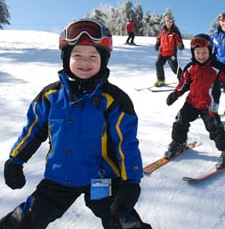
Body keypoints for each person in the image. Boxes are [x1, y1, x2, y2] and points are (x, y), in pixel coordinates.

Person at [0, 18, 151, 229]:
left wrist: (131, 182)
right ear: (66, 58)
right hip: (59, 177)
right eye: (77, 55)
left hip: (101, 180)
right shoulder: (51, 96)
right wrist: (15, 160)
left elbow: (125, 143)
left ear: (103, 60)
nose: (84, 62)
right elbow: (32, 132)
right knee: (25, 220)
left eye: (92, 56)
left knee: (123, 220)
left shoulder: (115, 100)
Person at [164, 34, 225, 168]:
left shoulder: (217, 68)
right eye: (198, 53)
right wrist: (175, 94)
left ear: (210, 52)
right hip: (191, 102)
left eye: (204, 53)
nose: (201, 56)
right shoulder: (190, 68)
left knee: (215, 129)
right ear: (193, 53)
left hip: (209, 106)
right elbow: (183, 83)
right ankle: (178, 142)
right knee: (181, 120)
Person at [154, 15, 185, 87]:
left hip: (171, 53)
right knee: (158, 64)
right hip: (162, 52)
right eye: (167, 21)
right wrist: (157, 44)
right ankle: (161, 80)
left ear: (172, 22)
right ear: (165, 22)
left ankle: (183, 80)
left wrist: (180, 45)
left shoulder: (175, 31)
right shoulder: (162, 31)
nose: (168, 23)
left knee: (175, 68)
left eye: (170, 21)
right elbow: (159, 39)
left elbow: (179, 40)